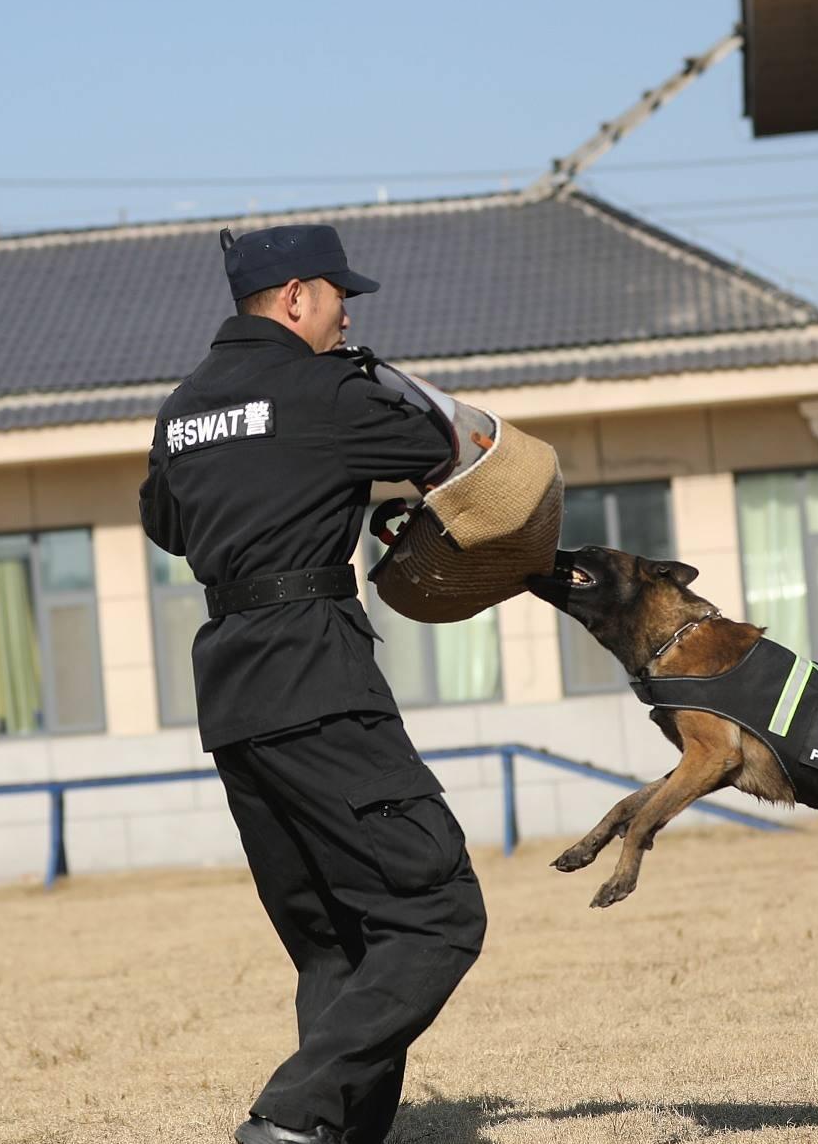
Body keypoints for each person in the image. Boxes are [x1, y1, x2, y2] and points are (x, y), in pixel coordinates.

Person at [140, 223, 488, 1144]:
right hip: (318, 676)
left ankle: (327, 1137)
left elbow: (169, 527)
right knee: (437, 912)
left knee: (333, 939)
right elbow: (447, 443)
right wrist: (363, 381)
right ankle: (289, 1119)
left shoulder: (181, 409)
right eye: (340, 298)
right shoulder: (323, 388)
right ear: (296, 297)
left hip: (231, 694)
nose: (348, 317)